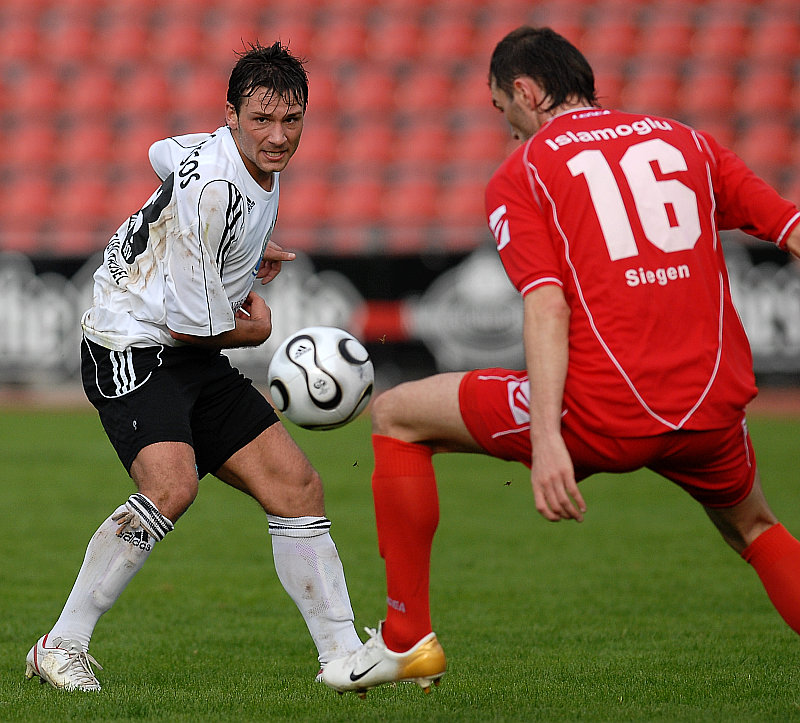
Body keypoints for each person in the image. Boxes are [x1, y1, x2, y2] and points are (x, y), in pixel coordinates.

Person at [321, 25, 800, 696]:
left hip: (606, 412)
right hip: (713, 405)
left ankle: (406, 638)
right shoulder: (687, 140)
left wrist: (548, 440)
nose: (506, 125)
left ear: (527, 91)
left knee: (398, 413)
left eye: (501, 109)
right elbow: (790, 227)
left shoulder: (525, 172)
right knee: (755, 525)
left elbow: (546, 305)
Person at [25, 41, 362, 692]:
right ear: (230, 114)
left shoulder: (223, 158)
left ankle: (345, 654)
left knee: (297, 488)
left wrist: (252, 246)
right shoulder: (213, 187)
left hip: (181, 349)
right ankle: (60, 644)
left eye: (291, 120)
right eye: (261, 119)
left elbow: (161, 152)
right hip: (130, 343)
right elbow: (192, 324)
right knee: (171, 485)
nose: (277, 135)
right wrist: (261, 327)